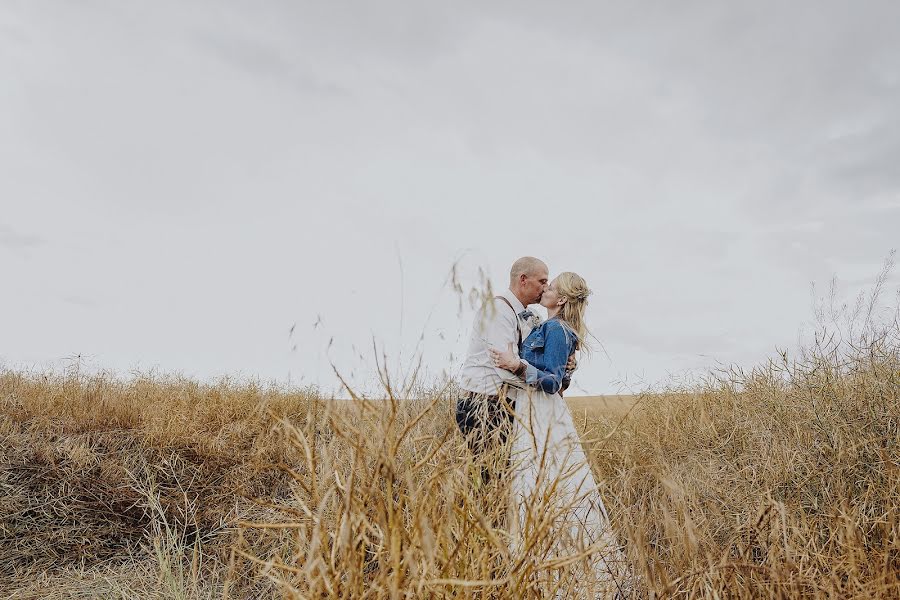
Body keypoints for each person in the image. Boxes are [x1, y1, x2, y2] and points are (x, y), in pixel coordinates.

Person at [490, 272, 624, 594]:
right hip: (533, 408)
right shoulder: (551, 327)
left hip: (542, 410)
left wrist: (516, 365)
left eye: (551, 287)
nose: (545, 289)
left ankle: (557, 567)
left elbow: (550, 383)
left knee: (548, 479)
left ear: (561, 299)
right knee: (538, 479)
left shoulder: (556, 329)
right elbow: (560, 378)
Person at [455, 256, 549, 487]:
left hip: (504, 404)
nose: (546, 288)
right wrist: (546, 382)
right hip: (484, 405)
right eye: (542, 281)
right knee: (489, 479)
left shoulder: (527, 315)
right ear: (523, 280)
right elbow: (505, 370)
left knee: (505, 478)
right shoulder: (498, 311)